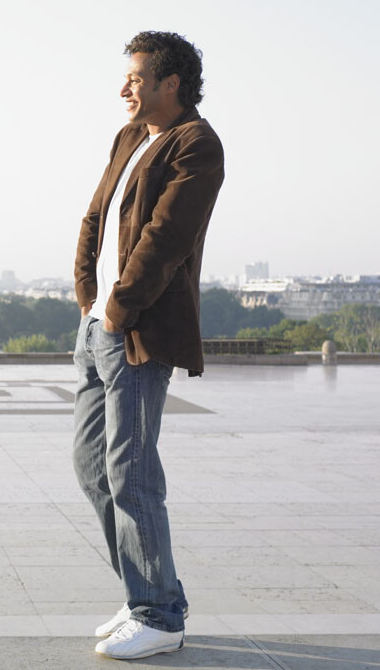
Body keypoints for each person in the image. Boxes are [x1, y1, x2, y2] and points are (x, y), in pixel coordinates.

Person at [72, 32, 224, 660]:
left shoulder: (197, 145)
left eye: (135, 78)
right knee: (91, 466)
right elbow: (97, 214)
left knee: (131, 473)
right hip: (99, 323)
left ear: (170, 83)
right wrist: (87, 292)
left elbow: (165, 239)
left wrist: (116, 308)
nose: (123, 89)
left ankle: (159, 614)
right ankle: (147, 590)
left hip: (137, 331)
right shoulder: (131, 137)